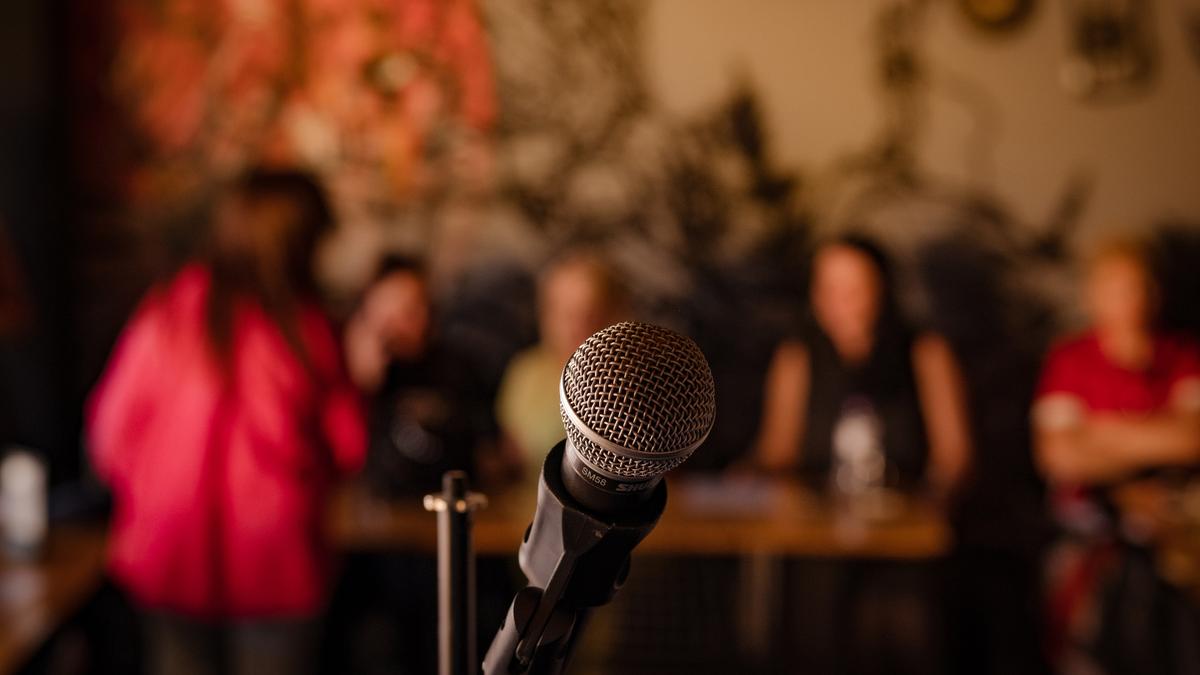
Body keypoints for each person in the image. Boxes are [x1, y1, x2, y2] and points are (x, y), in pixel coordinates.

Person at [87, 170, 366, 675]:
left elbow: (109, 435)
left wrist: (152, 494)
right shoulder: (307, 329)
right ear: (301, 242)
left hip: (167, 553)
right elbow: (349, 447)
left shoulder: (167, 312)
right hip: (277, 565)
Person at [1033, 238, 1200, 675]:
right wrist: (1156, 433)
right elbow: (1060, 457)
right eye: (1118, 288)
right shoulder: (1071, 360)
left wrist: (1101, 433)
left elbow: (1192, 441)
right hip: (1092, 528)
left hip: (1174, 525)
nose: (1133, 300)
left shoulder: (1181, 356)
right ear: (1093, 296)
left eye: (1140, 287)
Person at [753, 235, 972, 496]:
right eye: (828, 289)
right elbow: (777, 451)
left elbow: (953, 458)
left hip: (902, 519)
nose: (839, 304)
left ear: (882, 289)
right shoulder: (797, 356)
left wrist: (924, 509)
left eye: (853, 291)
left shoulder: (925, 353)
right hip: (815, 522)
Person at [495, 251, 624, 469]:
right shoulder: (526, 373)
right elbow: (510, 458)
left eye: (588, 314)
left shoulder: (632, 378)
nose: (575, 327)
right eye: (564, 314)